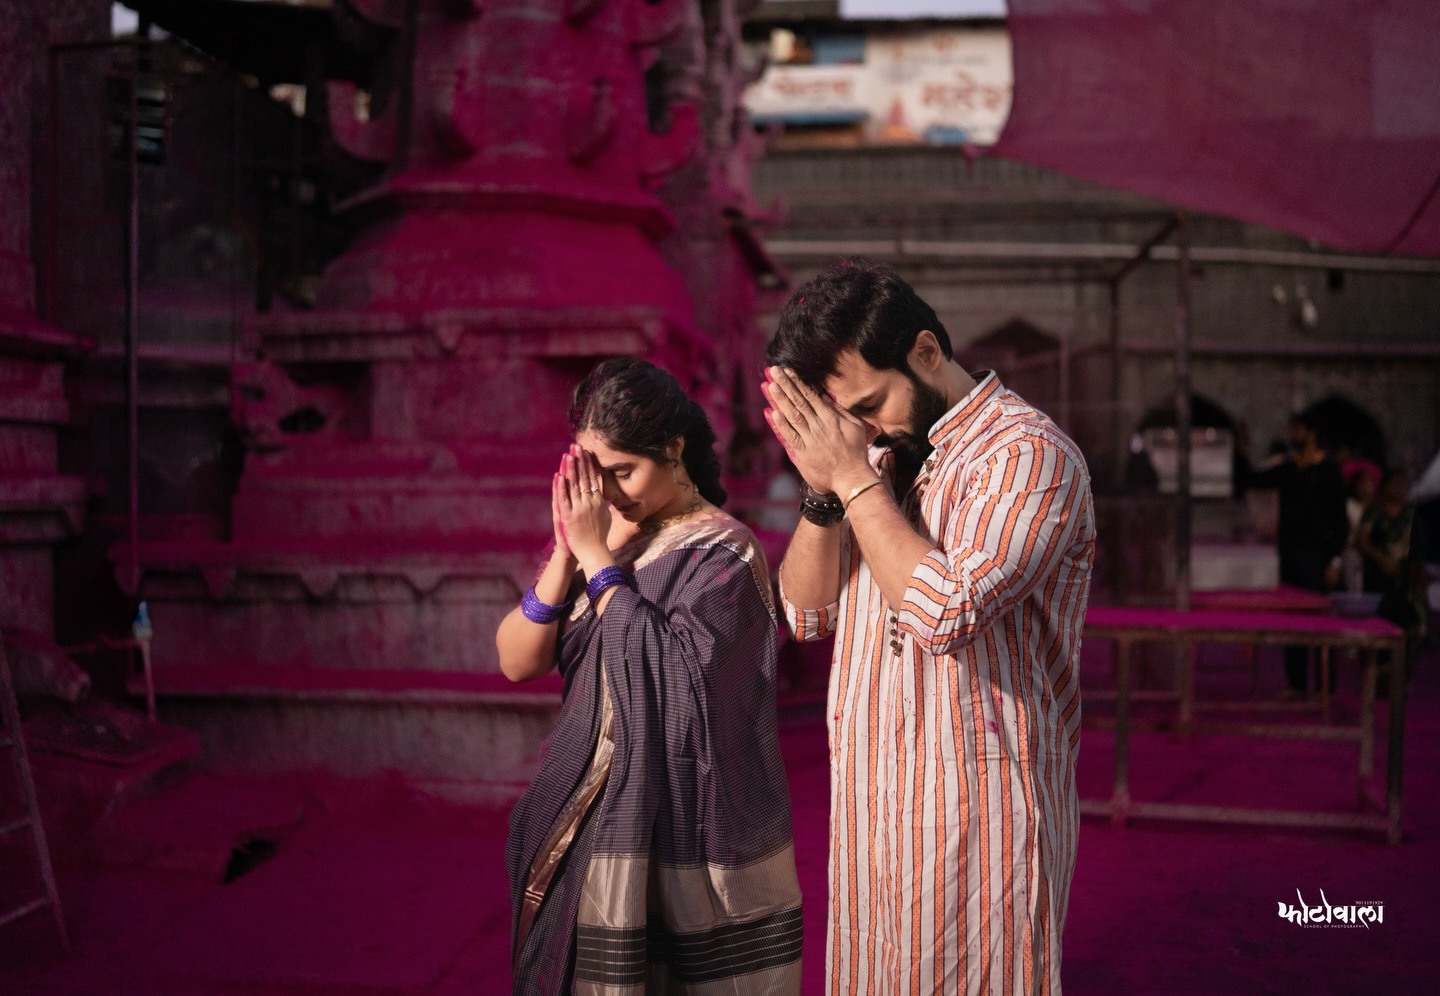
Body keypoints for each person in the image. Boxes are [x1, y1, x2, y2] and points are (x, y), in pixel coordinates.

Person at [759, 259, 1095, 994]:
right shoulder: (875, 459)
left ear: (925, 352)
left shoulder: (1027, 456)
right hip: (873, 815)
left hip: (980, 826)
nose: (867, 426)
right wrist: (823, 494)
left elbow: (945, 610)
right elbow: (804, 615)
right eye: (849, 416)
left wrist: (851, 480)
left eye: (873, 402)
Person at [497, 357, 803, 994]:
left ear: (674, 449)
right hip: (590, 822)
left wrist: (598, 563)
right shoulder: (597, 540)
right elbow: (516, 660)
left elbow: (678, 680)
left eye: (624, 472)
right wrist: (565, 552)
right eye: (594, 475)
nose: (609, 493)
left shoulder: (724, 550)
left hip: (681, 829)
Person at [1248, 413, 1349, 695]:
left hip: (1317, 556)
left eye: (1298, 430)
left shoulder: (1328, 471)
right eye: (1291, 429)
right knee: (1292, 620)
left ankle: (1325, 686)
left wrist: (1334, 561)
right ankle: (1296, 683)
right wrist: (1242, 453)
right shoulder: (1288, 470)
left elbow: (1340, 522)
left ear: (1312, 433)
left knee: (1319, 622)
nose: (1293, 435)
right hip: (1290, 553)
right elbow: (1251, 480)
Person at [1357, 468, 1429, 684]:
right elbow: (1362, 541)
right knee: (1378, 624)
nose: (1399, 488)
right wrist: (1381, 559)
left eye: (1403, 484)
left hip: (1406, 580)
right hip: (1379, 579)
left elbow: (1420, 545)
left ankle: (1400, 675)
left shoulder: (1412, 513)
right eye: (1394, 483)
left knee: (1406, 626)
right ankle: (1375, 676)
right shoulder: (1374, 512)